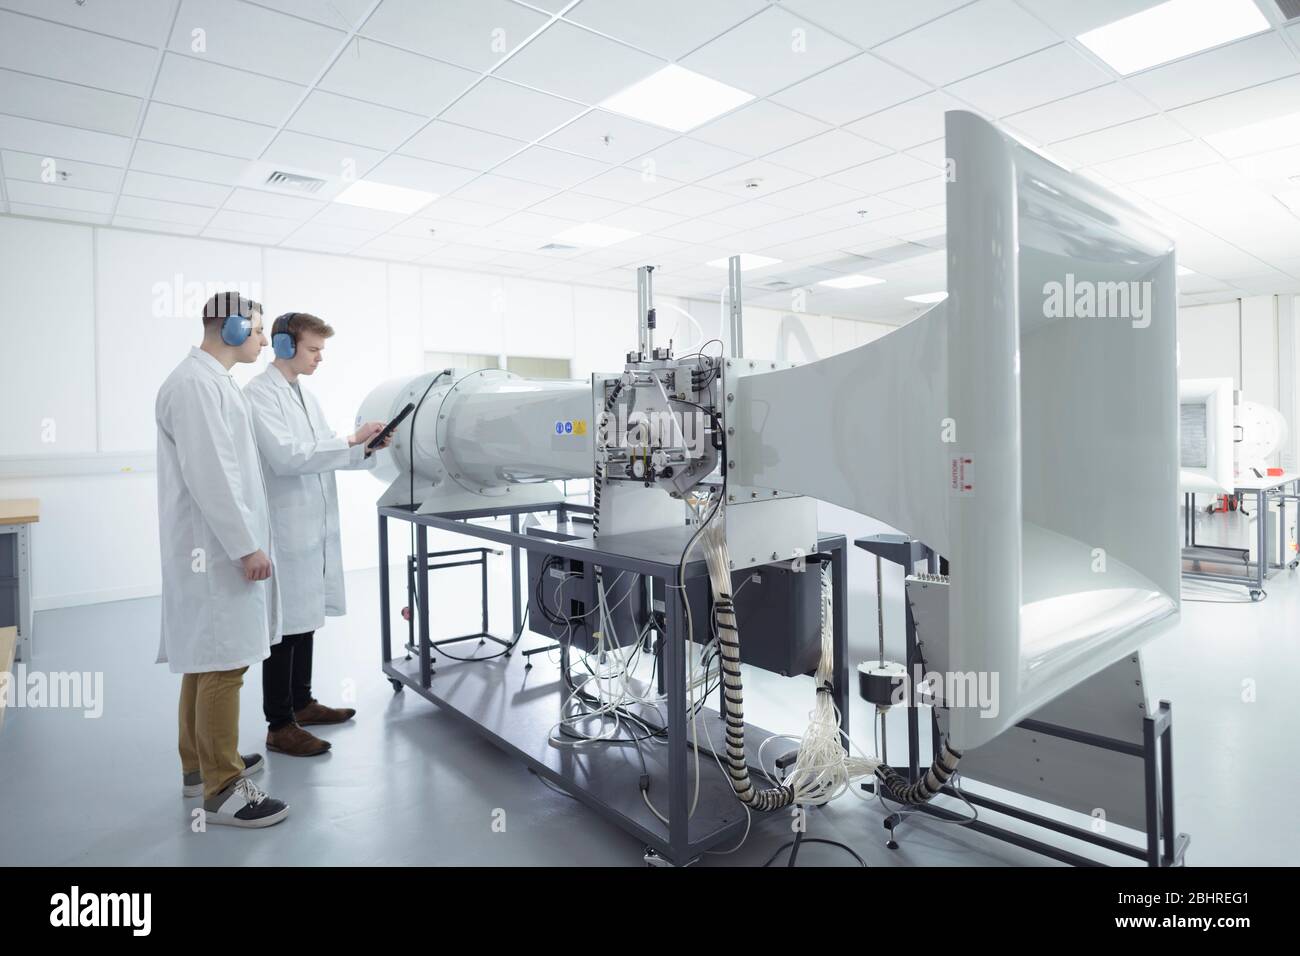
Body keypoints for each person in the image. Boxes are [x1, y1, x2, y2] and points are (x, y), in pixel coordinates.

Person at [155, 291, 288, 828]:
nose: (262, 337)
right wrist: (245, 545)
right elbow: (212, 475)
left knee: (204, 658)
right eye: (257, 328)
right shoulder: (195, 385)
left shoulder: (210, 383)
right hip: (214, 552)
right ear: (231, 327)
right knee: (224, 662)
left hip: (209, 548)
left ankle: (198, 765)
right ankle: (224, 788)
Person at [244, 312, 390, 757]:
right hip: (284, 525)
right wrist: (349, 440)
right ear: (285, 347)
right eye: (313, 349)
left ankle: (302, 704)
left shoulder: (304, 395)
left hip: (309, 525)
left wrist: (365, 448)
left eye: (322, 350)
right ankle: (279, 723)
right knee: (285, 628)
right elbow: (289, 457)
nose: (319, 358)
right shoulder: (258, 396)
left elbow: (324, 450)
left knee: (304, 620)